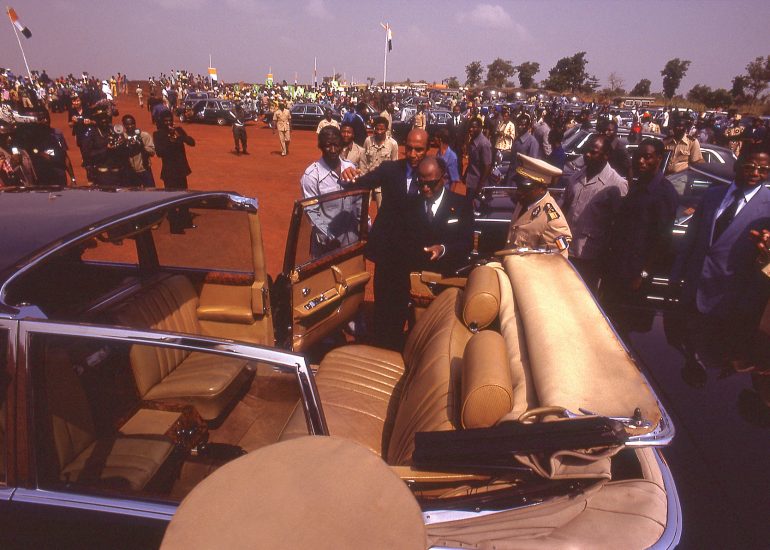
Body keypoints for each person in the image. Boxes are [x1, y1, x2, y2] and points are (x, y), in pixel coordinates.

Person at [340, 128, 430, 350]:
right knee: (383, 297)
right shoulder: (390, 169)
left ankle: (403, 344)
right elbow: (363, 181)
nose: (412, 154)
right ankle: (380, 344)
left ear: (427, 149)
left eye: (418, 149)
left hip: (414, 252)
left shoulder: (432, 172)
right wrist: (348, 174)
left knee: (408, 299)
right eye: (409, 148)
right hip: (388, 249)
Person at [672, 151, 770, 335]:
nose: (755, 173)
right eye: (750, 167)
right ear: (737, 165)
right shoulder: (713, 195)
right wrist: (676, 277)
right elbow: (690, 239)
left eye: (763, 170)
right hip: (692, 292)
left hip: (730, 303)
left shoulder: (768, 208)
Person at [603, 138, 678, 304]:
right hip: (619, 266)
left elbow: (662, 240)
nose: (641, 161)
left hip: (636, 275)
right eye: (638, 156)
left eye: (647, 157)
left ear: (659, 158)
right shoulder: (638, 185)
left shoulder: (664, 193)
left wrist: (643, 274)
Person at [560, 134, 628, 290]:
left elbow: (618, 227)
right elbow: (564, 207)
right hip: (567, 251)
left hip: (591, 258)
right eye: (586, 151)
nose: (587, 155)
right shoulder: (576, 177)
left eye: (593, 152)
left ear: (606, 156)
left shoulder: (617, 184)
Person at [300, 126, 358, 257]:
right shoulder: (311, 176)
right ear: (320, 146)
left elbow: (358, 201)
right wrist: (328, 237)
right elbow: (311, 212)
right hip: (327, 244)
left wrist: (365, 226)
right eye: (328, 146)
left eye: (336, 145)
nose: (332, 150)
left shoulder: (350, 167)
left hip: (352, 238)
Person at [504, 153, 571, 257]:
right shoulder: (525, 202)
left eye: (525, 188)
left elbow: (557, 263)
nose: (519, 192)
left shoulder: (553, 222)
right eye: (518, 186)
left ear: (542, 189)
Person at [416, 157, 473, 275]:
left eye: (431, 183)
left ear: (444, 178)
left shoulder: (461, 205)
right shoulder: (411, 205)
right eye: (421, 183)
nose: (425, 188)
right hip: (416, 275)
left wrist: (443, 249)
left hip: (448, 276)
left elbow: (467, 243)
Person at [81, 105, 131, 186]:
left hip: (118, 173)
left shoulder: (114, 130)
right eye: (100, 117)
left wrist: (123, 144)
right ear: (95, 119)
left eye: (105, 116)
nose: (104, 120)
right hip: (102, 174)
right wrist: (106, 149)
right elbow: (87, 155)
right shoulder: (91, 134)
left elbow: (124, 153)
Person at [154, 110, 195, 189]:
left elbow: (192, 143)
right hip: (169, 171)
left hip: (181, 170)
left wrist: (179, 136)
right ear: (162, 121)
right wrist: (170, 141)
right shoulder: (158, 134)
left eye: (170, 120)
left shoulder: (178, 130)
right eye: (166, 121)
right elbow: (159, 153)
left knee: (183, 194)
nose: (168, 123)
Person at [502, 113, 540, 184]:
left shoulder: (532, 142)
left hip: (523, 180)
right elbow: (512, 161)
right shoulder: (516, 140)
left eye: (523, 125)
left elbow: (532, 164)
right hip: (511, 178)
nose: (520, 127)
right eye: (519, 124)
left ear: (528, 126)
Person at [122, 114, 156, 187]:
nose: (130, 126)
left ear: (135, 124)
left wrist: (141, 147)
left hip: (144, 169)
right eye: (127, 124)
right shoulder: (122, 137)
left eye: (132, 124)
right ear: (124, 125)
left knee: (150, 192)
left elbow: (152, 152)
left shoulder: (144, 135)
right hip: (130, 171)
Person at [462, 118, 492, 201]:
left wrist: (480, 186)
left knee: (473, 208)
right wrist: (465, 174)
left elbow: (487, 166)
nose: (471, 129)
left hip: (477, 184)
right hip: (471, 181)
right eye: (470, 127)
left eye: (474, 127)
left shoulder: (484, 144)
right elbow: (472, 162)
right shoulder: (472, 140)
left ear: (480, 128)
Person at [0, 119, 36, 186]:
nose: (9, 138)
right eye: (4, 136)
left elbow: (33, 177)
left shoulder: (22, 152)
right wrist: (12, 164)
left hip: (30, 192)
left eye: (10, 134)